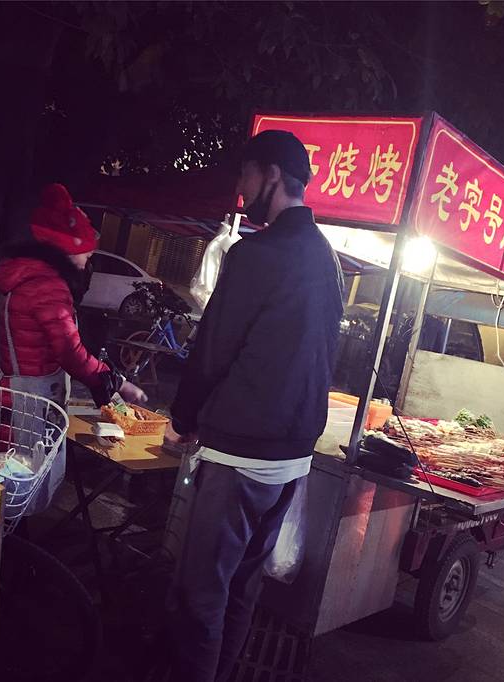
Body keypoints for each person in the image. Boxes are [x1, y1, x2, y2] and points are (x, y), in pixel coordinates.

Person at [164, 130, 344, 682]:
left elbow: (212, 348)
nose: (241, 190)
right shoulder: (327, 259)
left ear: (271, 175)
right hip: (292, 458)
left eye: (245, 175)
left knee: (200, 594)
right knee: (243, 587)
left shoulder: (257, 253)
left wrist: (183, 419)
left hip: (241, 453)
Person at [0, 183, 146, 513]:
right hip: (30, 402)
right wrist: (118, 382)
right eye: (86, 250)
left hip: (22, 393)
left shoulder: (34, 279)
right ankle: (14, 545)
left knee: (16, 485)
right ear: (67, 248)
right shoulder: (48, 286)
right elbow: (70, 352)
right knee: (24, 487)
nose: (90, 256)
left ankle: (13, 540)